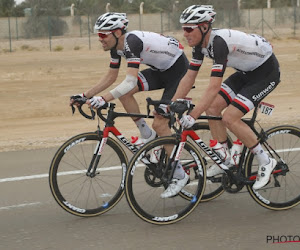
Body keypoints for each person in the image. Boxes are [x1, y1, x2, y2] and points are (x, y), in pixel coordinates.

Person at [70, 12, 190, 194]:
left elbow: (130, 81)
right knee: (125, 94)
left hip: (179, 72)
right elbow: (112, 76)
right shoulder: (116, 47)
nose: (100, 39)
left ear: (117, 32)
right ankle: (146, 134)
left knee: (160, 123)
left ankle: (180, 175)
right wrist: (85, 95)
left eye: (103, 34)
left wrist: (103, 99)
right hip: (160, 70)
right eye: (98, 35)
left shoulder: (131, 42)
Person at [170, 5, 280, 194]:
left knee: (230, 118)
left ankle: (266, 161)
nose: (185, 33)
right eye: (183, 28)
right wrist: (171, 104)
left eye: (189, 29)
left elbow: (213, 87)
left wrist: (193, 115)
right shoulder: (200, 45)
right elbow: (189, 77)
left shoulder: (218, 43)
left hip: (265, 73)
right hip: (245, 72)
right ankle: (224, 160)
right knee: (212, 109)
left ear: (204, 27)